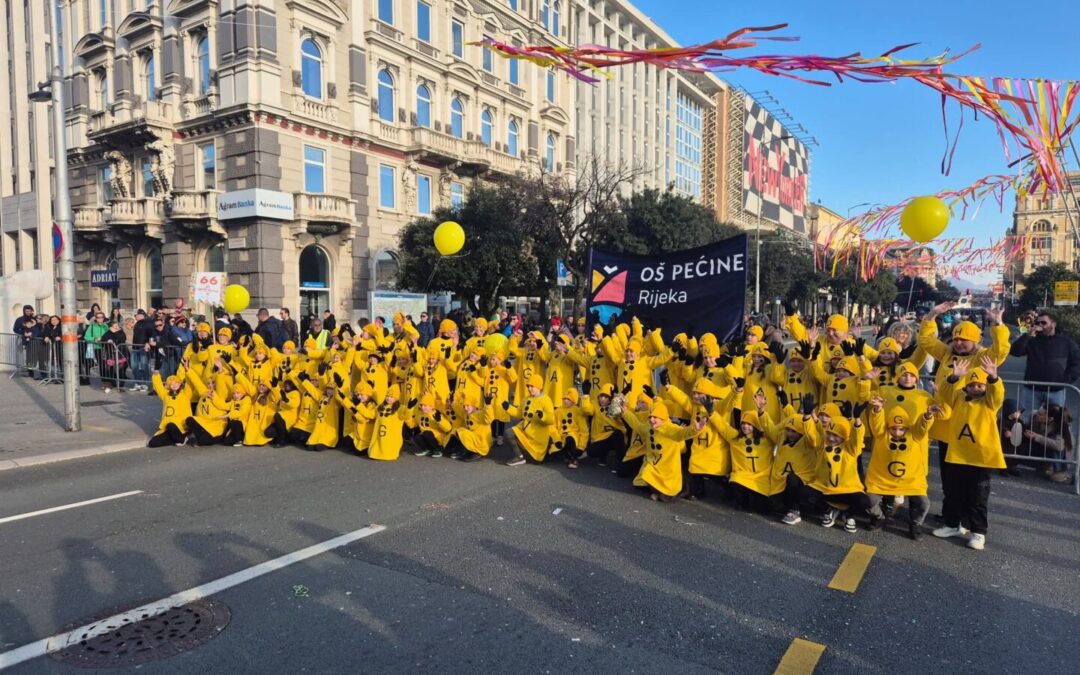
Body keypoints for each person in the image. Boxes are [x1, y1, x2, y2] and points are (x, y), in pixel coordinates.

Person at [933, 356, 1005, 551]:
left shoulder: (990, 403)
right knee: (953, 492)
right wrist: (953, 378)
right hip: (958, 454)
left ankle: (978, 532)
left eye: (980, 386)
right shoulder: (958, 398)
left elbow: (997, 394)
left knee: (978, 496)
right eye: (972, 385)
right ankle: (951, 524)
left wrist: (992, 378)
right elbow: (947, 394)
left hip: (980, 458)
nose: (975, 388)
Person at [1008, 310, 1080, 419]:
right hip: (1032, 389)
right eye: (1038, 323)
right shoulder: (1032, 340)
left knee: (1057, 420)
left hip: (1056, 390)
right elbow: (1015, 352)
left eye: (1044, 323)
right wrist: (1027, 336)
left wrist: (1066, 381)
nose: (1040, 325)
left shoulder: (1066, 342)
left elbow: (1076, 363)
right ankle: (1028, 436)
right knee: (1029, 419)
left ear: (1053, 324)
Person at [99, 320, 128, 392]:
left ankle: (121, 384)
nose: (117, 327)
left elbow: (122, 339)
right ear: (111, 327)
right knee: (111, 368)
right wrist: (107, 340)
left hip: (121, 353)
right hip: (110, 353)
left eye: (117, 326)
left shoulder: (121, 332)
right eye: (115, 326)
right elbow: (103, 340)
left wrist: (115, 333)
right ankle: (113, 383)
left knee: (121, 368)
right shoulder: (107, 333)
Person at [13, 305, 41, 379]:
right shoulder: (20, 319)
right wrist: (23, 333)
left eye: (30, 311)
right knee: (29, 357)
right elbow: (15, 329)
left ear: (32, 311)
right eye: (27, 311)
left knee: (34, 357)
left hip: (36, 341)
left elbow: (40, 329)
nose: (28, 312)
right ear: (24, 311)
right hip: (26, 341)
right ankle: (30, 372)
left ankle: (35, 373)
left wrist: (34, 331)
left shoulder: (36, 319)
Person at [40, 315, 62, 381]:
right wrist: (46, 336)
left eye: (55, 320)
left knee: (60, 361)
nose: (53, 321)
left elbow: (65, 334)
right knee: (52, 361)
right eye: (52, 320)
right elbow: (45, 333)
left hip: (59, 346)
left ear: (59, 320)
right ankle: (53, 376)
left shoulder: (61, 327)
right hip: (51, 347)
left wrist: (60, 337)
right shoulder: (48, 326)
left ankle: (60, 376)